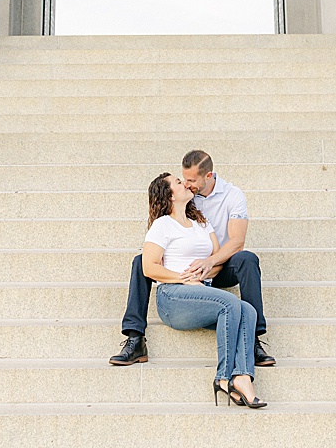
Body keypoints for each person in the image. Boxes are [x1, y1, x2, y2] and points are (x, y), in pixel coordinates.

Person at [110, 149, 274, 368]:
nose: (187, 185)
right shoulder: (179, 207)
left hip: (219, 265)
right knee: (141, 261)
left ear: (208, 176)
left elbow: (236, 242)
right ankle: (135, 336)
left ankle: (252, 340)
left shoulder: (232, 196)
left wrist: (209, 263)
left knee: (247, 259)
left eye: (190, 180)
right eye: (182, 180)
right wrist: (184, 276)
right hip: (186, 274)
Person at [139, 171, 265, 407]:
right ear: (169, 195)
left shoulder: (201, 222)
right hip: (173, 297)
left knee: (247, 310)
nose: (185, 184)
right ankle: (224, 377)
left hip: (204, 293)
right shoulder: (162, 225)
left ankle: (243, 377)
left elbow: (215, 260)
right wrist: (183, 278)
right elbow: (148, 267)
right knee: (230, 303)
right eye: (178, 182)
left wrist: (205, 272)